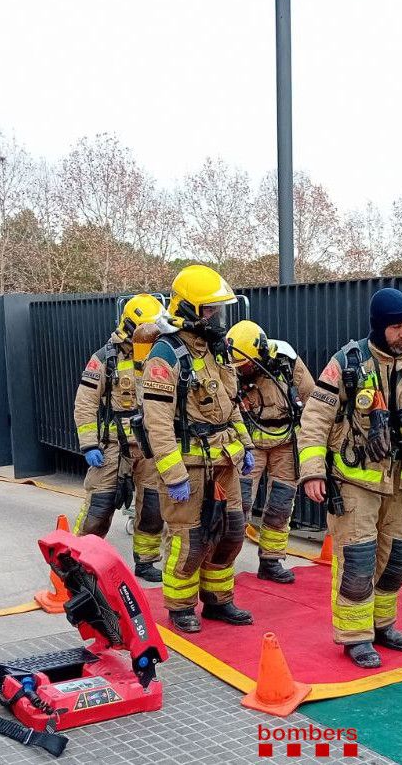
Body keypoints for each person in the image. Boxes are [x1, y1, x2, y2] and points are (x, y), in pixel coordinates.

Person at [296, 287, 402, 669]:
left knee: (400, 558)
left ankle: (383, 625)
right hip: (356, 483)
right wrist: (313, 471)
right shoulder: (347, 363)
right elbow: (314, 420)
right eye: (397, 326)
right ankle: (355, 637)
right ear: (379, 326)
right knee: (358, 562)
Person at [139, 264, 256, 633]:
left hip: (224, 460)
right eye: (210, 309)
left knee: (231, 532)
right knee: (190, 541)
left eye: (218, 308)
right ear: (188, 309)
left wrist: (246, 444)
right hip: (187, 466)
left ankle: (219, 602)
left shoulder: (216, 350)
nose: (217, 316)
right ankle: (180, 607)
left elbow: (231, 403)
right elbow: (156, 421)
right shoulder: (166, 353)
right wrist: (173, 475)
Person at [72, 293, 166, 582]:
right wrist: (89, 444)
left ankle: (147, 561)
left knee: (152, 507)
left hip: (150, 446)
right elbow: (86, 403)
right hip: (113, 446)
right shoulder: (105, 358)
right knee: (99, 505)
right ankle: (80, 561)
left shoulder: (161, 355)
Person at [226, 320, 315, 583]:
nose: (242, 371)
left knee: (281, 503)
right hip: (249, 446)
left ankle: (271, 561)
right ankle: (223, 563)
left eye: (246, 366)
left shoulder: (286, 361)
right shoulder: (230, 364)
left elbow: (311, 399)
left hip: (285, 442)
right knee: (238, 504)